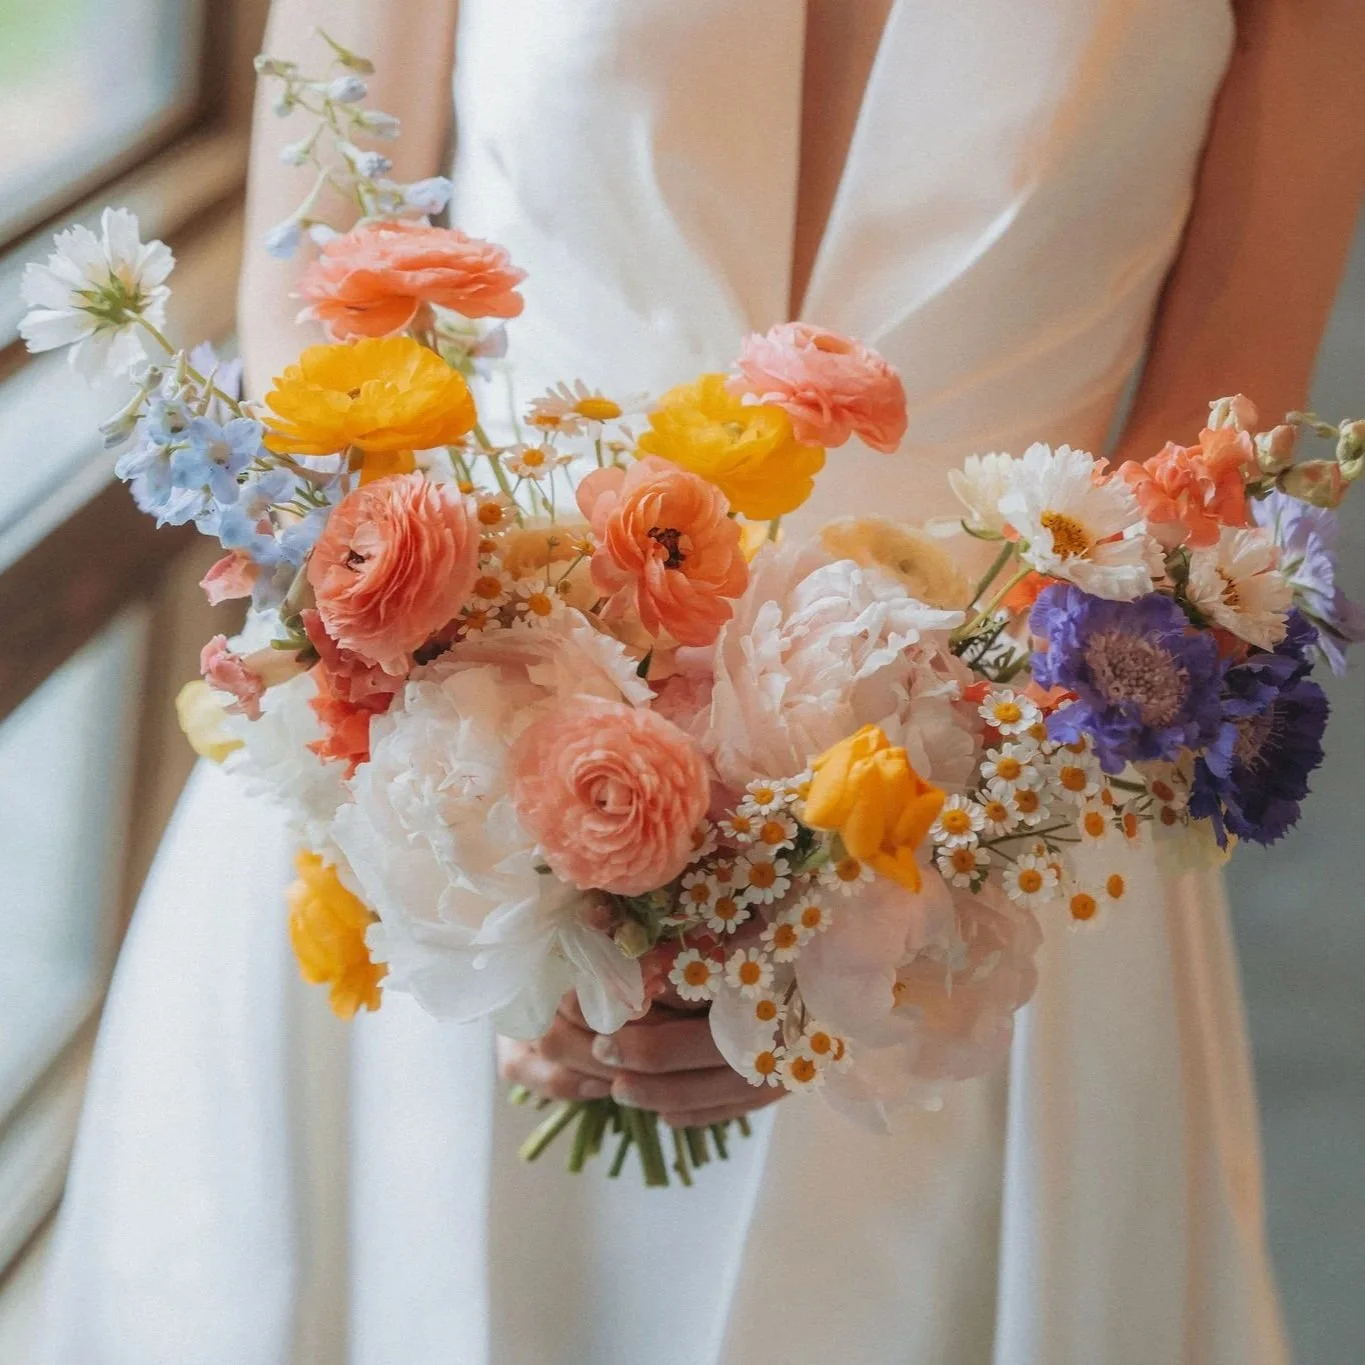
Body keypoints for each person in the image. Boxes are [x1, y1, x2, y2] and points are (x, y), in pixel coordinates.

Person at [39, 1, 1365, 1362]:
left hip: (1000, 831)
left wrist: (878, 896)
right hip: (446, 771)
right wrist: (497, 812)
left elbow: (1219, 430)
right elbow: (316, 271)